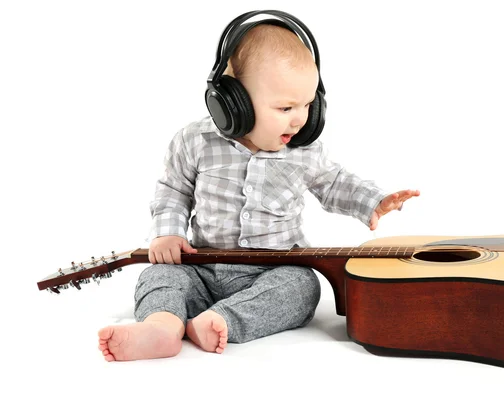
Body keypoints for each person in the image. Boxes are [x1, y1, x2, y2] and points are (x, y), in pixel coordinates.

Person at [97, 10, 420, 362]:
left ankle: (220, 321)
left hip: (272, 271)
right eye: (285, 107)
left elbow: (334, 182)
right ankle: (161, 326)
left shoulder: (303, 151)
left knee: (302, 287)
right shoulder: (195, 141)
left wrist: (374, 201)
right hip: (200, 268)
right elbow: (174, 190)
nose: (300, 119)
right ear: (232, 103)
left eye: (308, 105)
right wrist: (167, 233)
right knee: (159, 276)